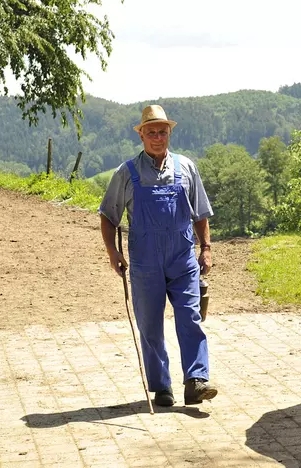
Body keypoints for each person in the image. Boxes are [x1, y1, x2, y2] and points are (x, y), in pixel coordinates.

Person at [99, 105, 217, 407]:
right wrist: (113, 252)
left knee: (190, 317)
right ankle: (161, 385)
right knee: (150, 324)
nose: (157, 137)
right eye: (151, 132)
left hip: (182, 258)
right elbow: (108, 216)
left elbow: (200, 213)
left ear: (169, 133)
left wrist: (205, 248)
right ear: (141, 135)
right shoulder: (126, 173)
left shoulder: (187, 168)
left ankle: (196, 380)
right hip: (145, 262)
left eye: (162, 132)